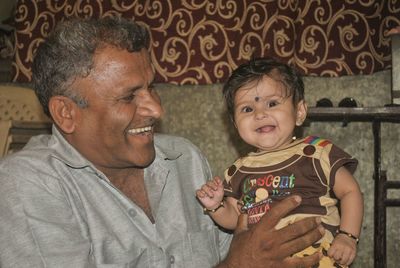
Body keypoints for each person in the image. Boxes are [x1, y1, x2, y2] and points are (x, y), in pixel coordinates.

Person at [0, 17, 324, 267]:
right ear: (66, 113)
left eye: (151, 88)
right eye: (129, 96)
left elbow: (241, 249)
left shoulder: (184, 159)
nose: (156, 108)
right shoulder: (26, 185)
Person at [196, 57, 364, 267]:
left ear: (299, 112)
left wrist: (348, 236)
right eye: (247, 109)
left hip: (320, 258)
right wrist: (215, 206)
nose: (260, 113)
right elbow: (234, 219)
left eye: (272, 103)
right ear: (234, 123)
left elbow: (350, 191)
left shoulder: (316, 153)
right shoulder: (238, 170)